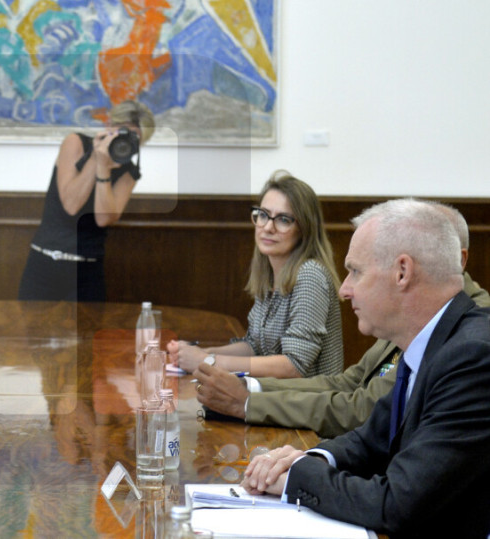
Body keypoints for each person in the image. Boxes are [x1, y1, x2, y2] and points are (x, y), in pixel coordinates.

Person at [242, 198, 490, 537]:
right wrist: (310, 458)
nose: (344, 290)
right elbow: (372, 438)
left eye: (355, 271)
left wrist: (297, 478)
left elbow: (398, 504)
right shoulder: (433, 340)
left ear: (402, 272)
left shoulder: (472, 357)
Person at [193, 203, 490, 438]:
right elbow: (351, 383)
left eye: (356, 272)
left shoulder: (467, 335)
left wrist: (247, 401)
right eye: (261, 215)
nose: (345, 290)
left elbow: (365, 409)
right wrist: (250, 388)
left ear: (457, 259)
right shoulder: (411, 313)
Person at [169, 171, 343, 378]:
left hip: (308, 398)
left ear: (304, 229)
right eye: (263, 215)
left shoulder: (310, 275)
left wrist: (208, 361)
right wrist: (201, 354)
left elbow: (295, 365)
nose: (268, 227)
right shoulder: (270, 273)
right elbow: (254, 346)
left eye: (283, 219)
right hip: (276, 393)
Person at [18, 101, 155, 301]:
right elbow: (71, 205)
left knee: (87, 323)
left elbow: (103, 219)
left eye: (134, 138)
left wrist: (103, 169)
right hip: (44, 263)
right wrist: (95, 159)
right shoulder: (75, 143)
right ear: (108, 125)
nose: (125, 140)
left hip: (87, 270)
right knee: (32, 322)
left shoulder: (129, 172)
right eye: (122, 131)